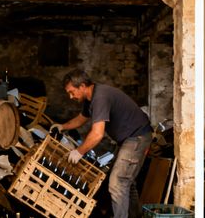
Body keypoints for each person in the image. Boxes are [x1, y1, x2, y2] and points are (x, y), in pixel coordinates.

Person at [51, 69, 152, 218]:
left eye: (72, 92)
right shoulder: (90, 98)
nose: (70, 97)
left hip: (137, 137)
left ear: (82, 86)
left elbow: (97, 134)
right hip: (128, 139)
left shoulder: (100, 98)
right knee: (126, 183)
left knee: (117, 183)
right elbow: (81, 119)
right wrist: (62, 126)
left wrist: (79, 151)